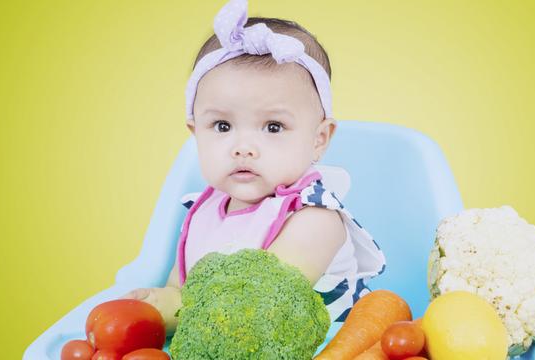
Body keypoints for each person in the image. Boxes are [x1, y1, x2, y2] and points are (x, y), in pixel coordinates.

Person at [121, 0, 386, 335]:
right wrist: (155, 302)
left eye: (273, 127)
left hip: (328, 347)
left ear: (319, 139)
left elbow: (262, 302)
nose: (242, 147)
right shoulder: (202, 210)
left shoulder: (315, 218)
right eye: (221, 126)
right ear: (195, 133)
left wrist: (179, 312)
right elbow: (182, 291)